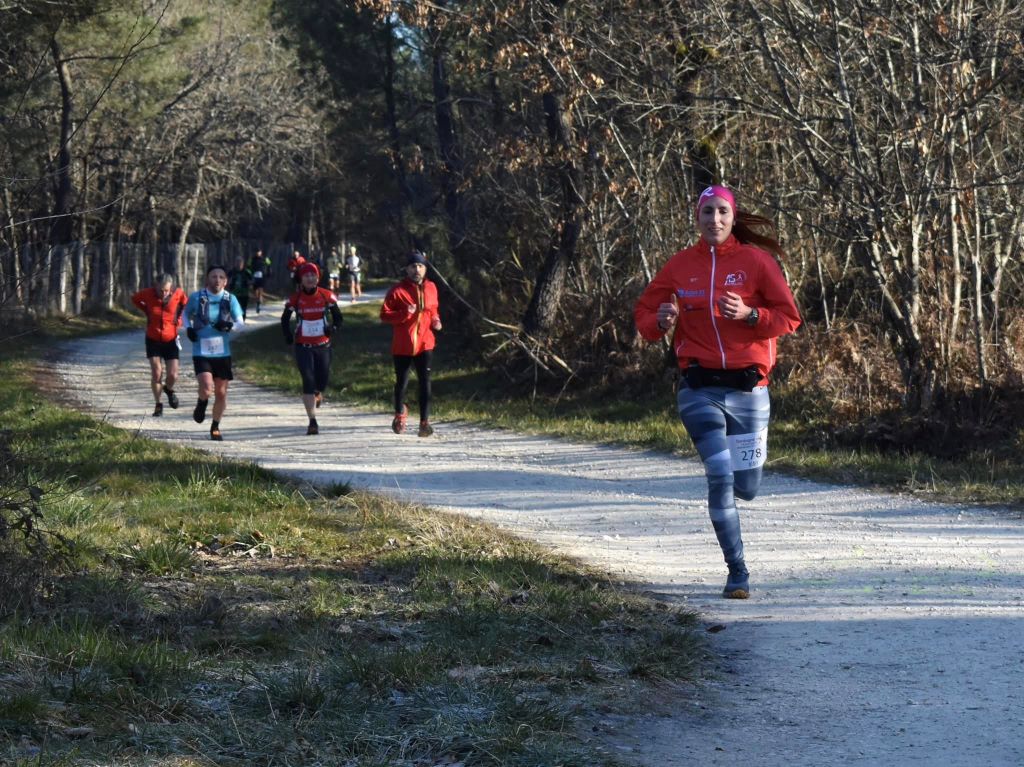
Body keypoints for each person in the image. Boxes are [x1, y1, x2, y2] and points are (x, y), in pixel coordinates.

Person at [633, 184, 801, 599]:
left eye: (722, 212)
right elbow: (644, 317)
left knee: (747, 486)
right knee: (720, 477)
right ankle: (737, 570)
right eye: (707, 212)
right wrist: (661, 319)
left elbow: (788, 319)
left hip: (749, 391)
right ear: (697, 217)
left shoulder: (757, 262)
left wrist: (750, 315)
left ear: (733, 215)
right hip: (699, 387)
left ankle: (738, 545)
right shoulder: (680, 265)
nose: (715, 220)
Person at [380, 250, 442, 437]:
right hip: (403, 345)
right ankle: (400, 414)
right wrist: (405, 313)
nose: (417, 269)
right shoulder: (397, 291)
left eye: (420, 266)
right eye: (413, 266)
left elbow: (433, 309)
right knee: (402, 383)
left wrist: (436, 320)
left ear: (425, 268)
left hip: (425, 343)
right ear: (407, 269)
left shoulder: (431, 287)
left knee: (425, 382)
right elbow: (384, 315)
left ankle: (424, 422)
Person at [280, 262, 344, 435]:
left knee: (322, 379)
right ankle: (312, 421)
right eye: (306, 275)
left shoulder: (326, 296)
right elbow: (285, 319)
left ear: (318, 278)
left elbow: (338, 318)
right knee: (308, 379)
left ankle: (318, 393)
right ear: (301, 279)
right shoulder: (296, 298)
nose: (310, 278)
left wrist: (333, 329)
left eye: (313, 275)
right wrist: (287, 335)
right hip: (303, 346)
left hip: (323, 345)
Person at [183, 264, 245, 441]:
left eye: (220, 277)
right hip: (201, 350)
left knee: (221, 393)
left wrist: (229, 326)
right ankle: (202, 402)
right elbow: (185, 314)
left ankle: (215, 426)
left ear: (225, 281)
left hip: (222, 353)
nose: (217, 280)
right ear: (207, 279)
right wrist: (188, 329)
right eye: (213, 276)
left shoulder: (230, 299)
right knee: (206, 386)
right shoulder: (197, 297)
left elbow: (241, 324)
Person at [131, 273, 187, 417]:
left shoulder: (178, 293)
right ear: (156, 286)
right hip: (153, 338)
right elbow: (135, 299)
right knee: (157, 371)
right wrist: (147, 311)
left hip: (171, 339)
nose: (164, 293)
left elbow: (185, 305)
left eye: (167, 290)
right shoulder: (148, 293)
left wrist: (179, 320)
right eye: (161, 290)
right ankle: (158, 404)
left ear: (171, 287)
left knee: (173, 374)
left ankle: (168, 389)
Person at [228, 256, 253, 320]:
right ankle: (236, 320)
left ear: (243, 264)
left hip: (244, 293)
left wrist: (249, 283)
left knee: (243, 308)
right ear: (235, 263)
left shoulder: (247, 272)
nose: (239, 264)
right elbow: (225, 279)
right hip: (234, 293)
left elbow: (252, 280)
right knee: (234, 308)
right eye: (237, 262)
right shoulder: (231, 272)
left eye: (240, 263)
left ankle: (242, 320)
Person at [249, 249, 272, 314]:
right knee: (255, 291)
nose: (257, 253)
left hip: (262, 276)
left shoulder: (265, 258)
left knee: (261, 290)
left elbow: (269, 265)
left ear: (261, 252)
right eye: (256, 252)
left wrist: (269, 272)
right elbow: (248, 267)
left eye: (258, 252)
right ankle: (257, 302)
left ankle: (259, 302)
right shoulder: (252, 259)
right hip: (254, 277)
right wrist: (250, 275)